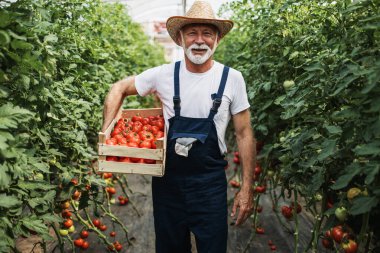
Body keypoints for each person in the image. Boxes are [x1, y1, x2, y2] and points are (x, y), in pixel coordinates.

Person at [102, 1, 256, 252]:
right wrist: (107, 137)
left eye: (207, 33)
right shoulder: (163, 75)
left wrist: (247, 188)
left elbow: (244, 133)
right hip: (168, 186)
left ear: (217, 39)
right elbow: (118, 88)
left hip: (210, 186)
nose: (199, 40)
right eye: (192, 33)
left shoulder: (232, 78)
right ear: (181, 38)